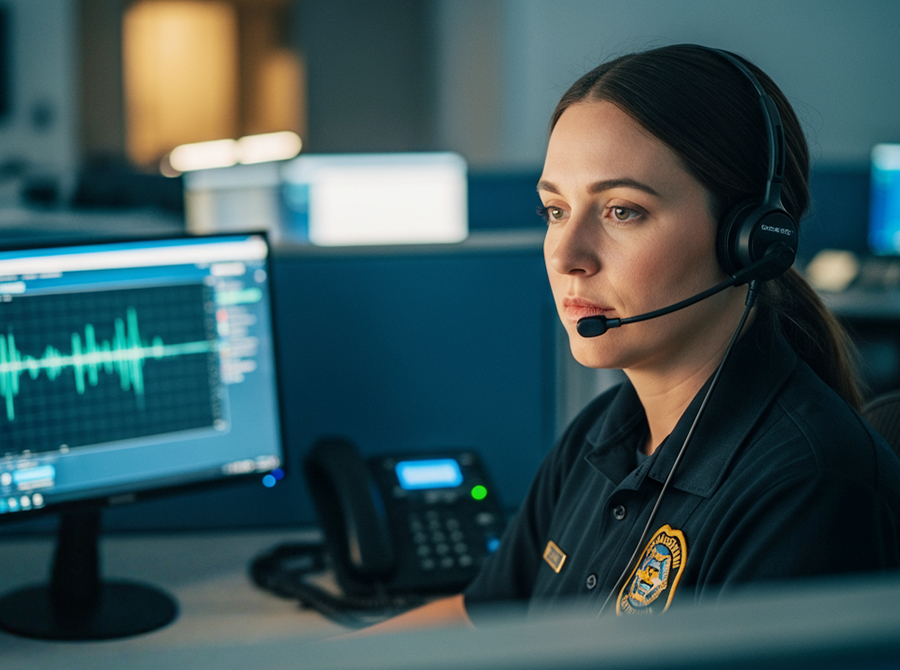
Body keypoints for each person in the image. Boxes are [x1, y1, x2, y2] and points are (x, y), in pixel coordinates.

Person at [357, 43, 900, 633]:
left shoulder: (805, 492)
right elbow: (478, 617)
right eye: (555, 211)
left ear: (750, 241)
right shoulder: (603, 436)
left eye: (622, 211)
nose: (566, 256)